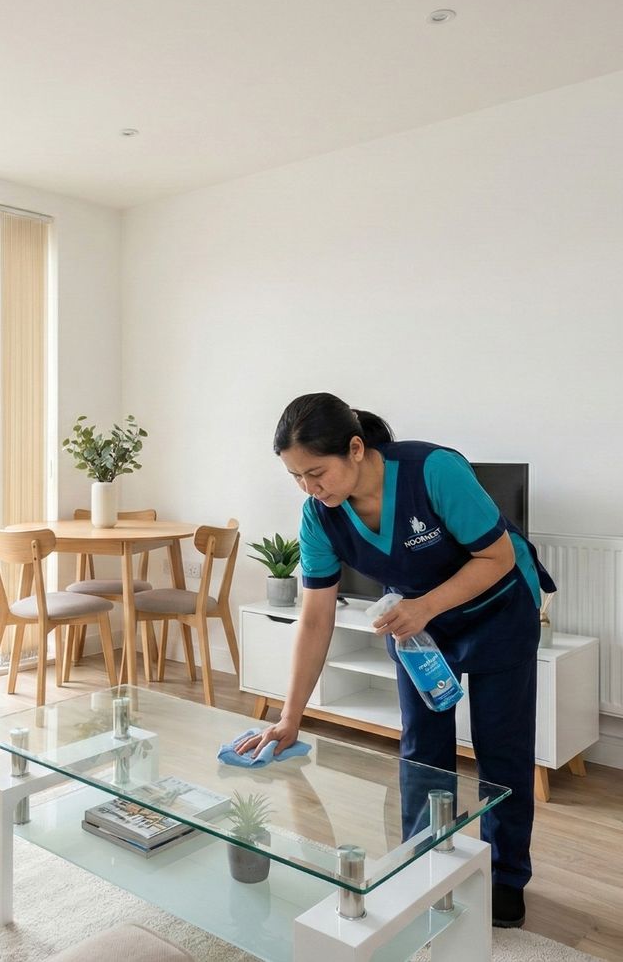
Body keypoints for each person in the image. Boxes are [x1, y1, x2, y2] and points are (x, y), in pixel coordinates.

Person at [234, 392, 554, 928]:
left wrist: (425, 606)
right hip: (419, 631)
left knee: (502, 751)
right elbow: (316, 618)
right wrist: (290, 718)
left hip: (498, 610)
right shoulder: (320, 516)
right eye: (296, 477)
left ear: (356, 449)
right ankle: (425, 864)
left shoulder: (434, 471)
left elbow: (496, 557)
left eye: (317, 473)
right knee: (423, 753)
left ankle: (505, 878)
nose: (310, 489)